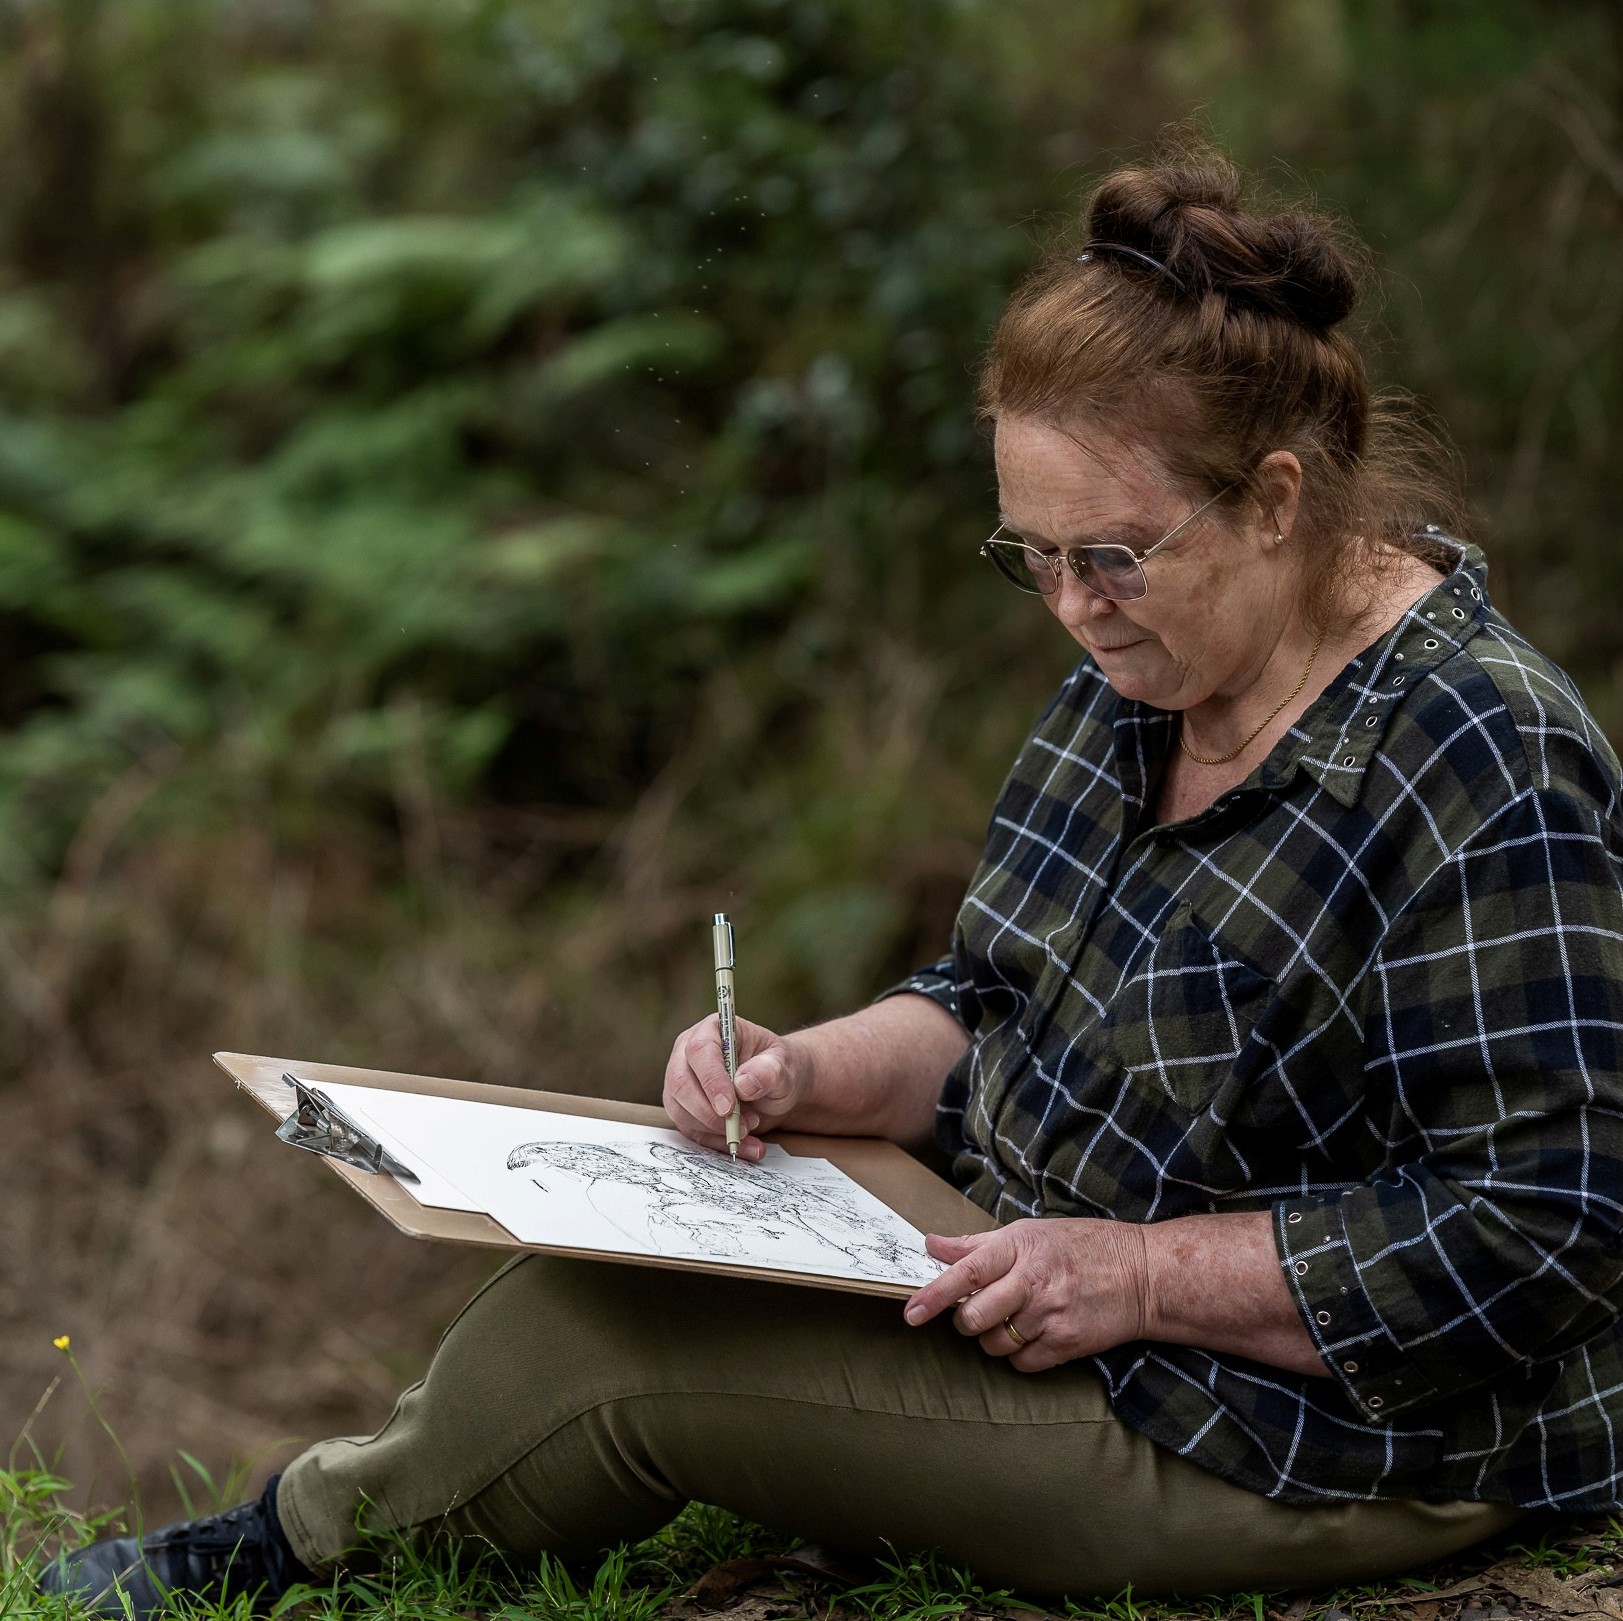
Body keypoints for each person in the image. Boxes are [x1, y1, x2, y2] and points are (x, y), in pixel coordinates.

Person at [42, 140, 1623, 1618]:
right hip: (1020, 1276)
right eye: (1035, 555)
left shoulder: (1477, 751)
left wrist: (1138, 1273)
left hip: (1305, 1436)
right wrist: (811, 1070)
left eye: (1111, 555)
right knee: (586, 1268)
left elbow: (1549, 1223)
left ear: (1276, 498)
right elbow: (991, 1001)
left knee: (620, 1362)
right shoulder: (1148, 661)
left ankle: (267, 1563)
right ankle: (312, 1526)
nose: (1071, 605)